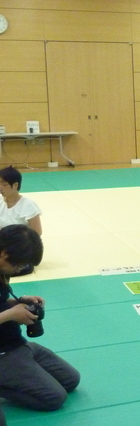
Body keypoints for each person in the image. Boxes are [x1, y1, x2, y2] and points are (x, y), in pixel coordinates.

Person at [0, 225, 80, 413]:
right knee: (54, 398)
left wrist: (16, 303)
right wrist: (11, 314)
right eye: (18, 265)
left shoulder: (2, 270)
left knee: (70, 380)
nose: (19, 270)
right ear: (4, 254)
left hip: (16, 344)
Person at [0, 166, 43, 276]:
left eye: (4, 184)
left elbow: (36, 233)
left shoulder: (28, 206)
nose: (0, 188)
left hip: (18, 248)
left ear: (15, 185)